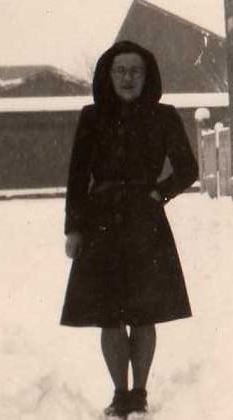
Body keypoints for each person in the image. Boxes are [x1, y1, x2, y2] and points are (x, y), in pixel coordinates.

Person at [60, 40, 198, 417]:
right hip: (100, 221)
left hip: (145, 223)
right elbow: (77, 176)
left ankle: (139, 393)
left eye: (135, 71)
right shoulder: (92, 117)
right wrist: (74, 229)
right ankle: (119, 393)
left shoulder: (164, 116)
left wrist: (158, 194)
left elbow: (188, 169)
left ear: (147, 75)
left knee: (143, 311)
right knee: (108, 314)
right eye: (120, 70)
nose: (127, 78)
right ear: (108, 74)